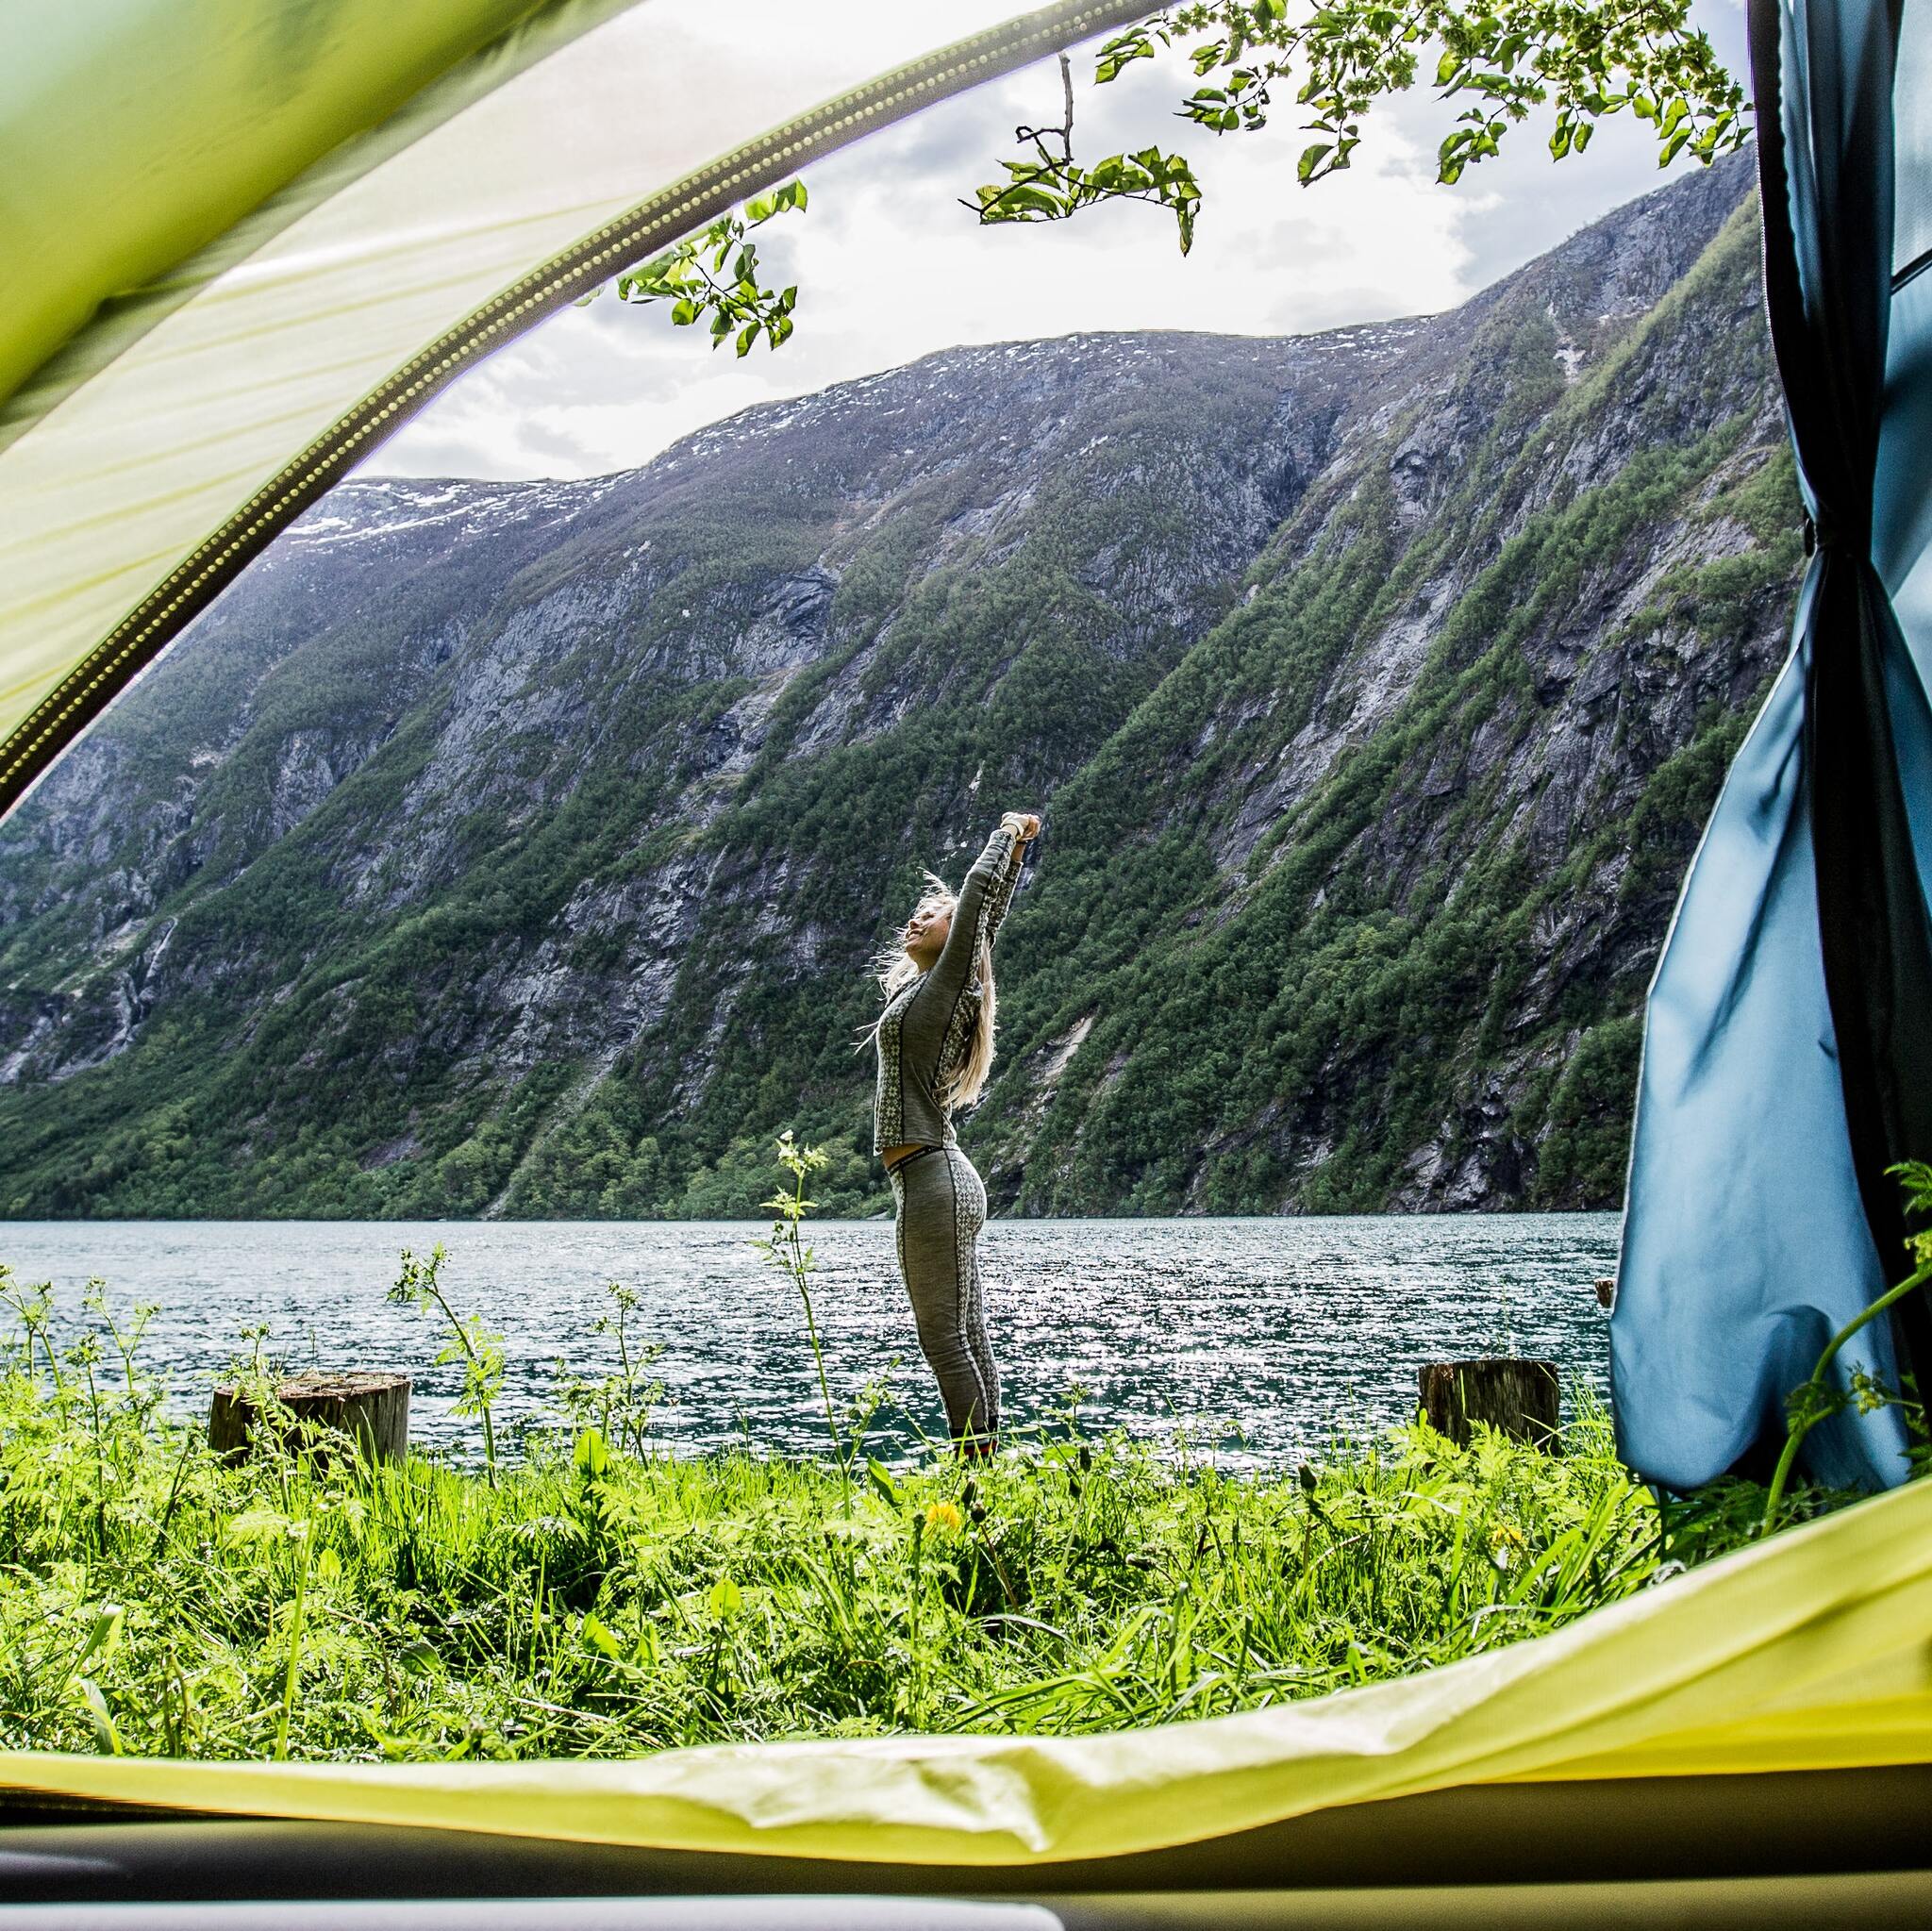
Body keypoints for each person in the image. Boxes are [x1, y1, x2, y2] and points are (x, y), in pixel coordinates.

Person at [863, 808, 1039, 1457]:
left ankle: (972, 1479)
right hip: (938, 1176)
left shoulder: (948, 986)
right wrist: (1017, 858)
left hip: (933, 1178)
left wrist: (1008, 833)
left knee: (944, 1336)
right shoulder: (931, 992)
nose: (915, 920)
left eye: (931, 916)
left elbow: (979, 907)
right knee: (966, 1333)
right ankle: (986, 1471)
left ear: (952, 934)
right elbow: (987, 916)